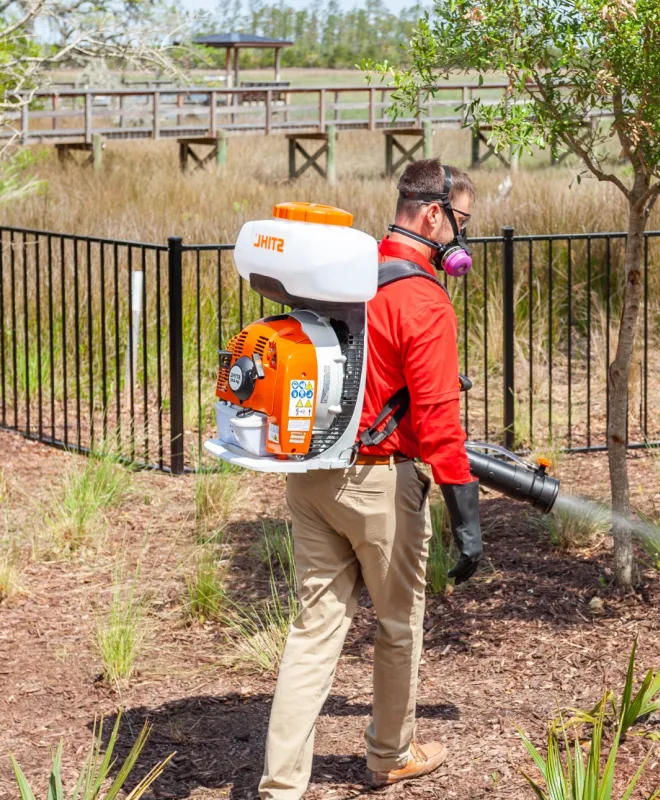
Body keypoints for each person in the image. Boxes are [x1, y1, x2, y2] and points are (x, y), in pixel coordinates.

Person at [258, 159, 482, 799]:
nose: (461, 241)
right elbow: (439, 422)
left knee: (314, 630)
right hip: (377, 483)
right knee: (398, 623)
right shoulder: (424, 298)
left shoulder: (345, 276)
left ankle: (279, 787)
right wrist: (467, 520)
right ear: (434, 214)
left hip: (311, 472)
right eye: (460, 223)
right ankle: (389, 755)